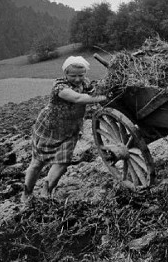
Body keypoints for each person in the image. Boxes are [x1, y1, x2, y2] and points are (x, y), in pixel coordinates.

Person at [22, 56, 107, 202]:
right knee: (37, 163)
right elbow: (78, 99)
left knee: (62, 163)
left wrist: (106, 88)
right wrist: (102, 98)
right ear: (66, 74)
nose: (77, 79)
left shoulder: (85, 83)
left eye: (81, 75)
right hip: (49, 129)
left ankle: (46, 191)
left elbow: (94, 89)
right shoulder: (59, 86)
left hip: (70, 130)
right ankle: (26, 193)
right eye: (73, 76)